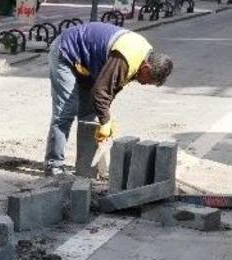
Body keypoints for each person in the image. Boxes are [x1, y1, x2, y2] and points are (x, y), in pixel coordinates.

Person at [44, 22, 173, 176]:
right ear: (147, 67)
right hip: (66, 52)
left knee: (90, 115)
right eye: (148, 80)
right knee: (66, 112)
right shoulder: (127, 58)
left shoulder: (142, 59)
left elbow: (110, 89)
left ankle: (86, 168)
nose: (144, 83)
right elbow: (101, 91)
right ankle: (54, 165)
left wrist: (105, 118)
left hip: (87, 63)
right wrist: (105, 120)